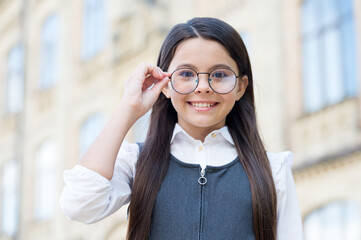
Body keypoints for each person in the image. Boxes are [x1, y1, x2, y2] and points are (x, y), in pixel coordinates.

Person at [60, 17, 303, 240]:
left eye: (219, 74)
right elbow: (79, 203)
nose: (203, 86)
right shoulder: (138, 162)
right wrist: (129, 107)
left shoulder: (273, 171)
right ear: (165, 84)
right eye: (186, 73)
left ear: (240, 87)